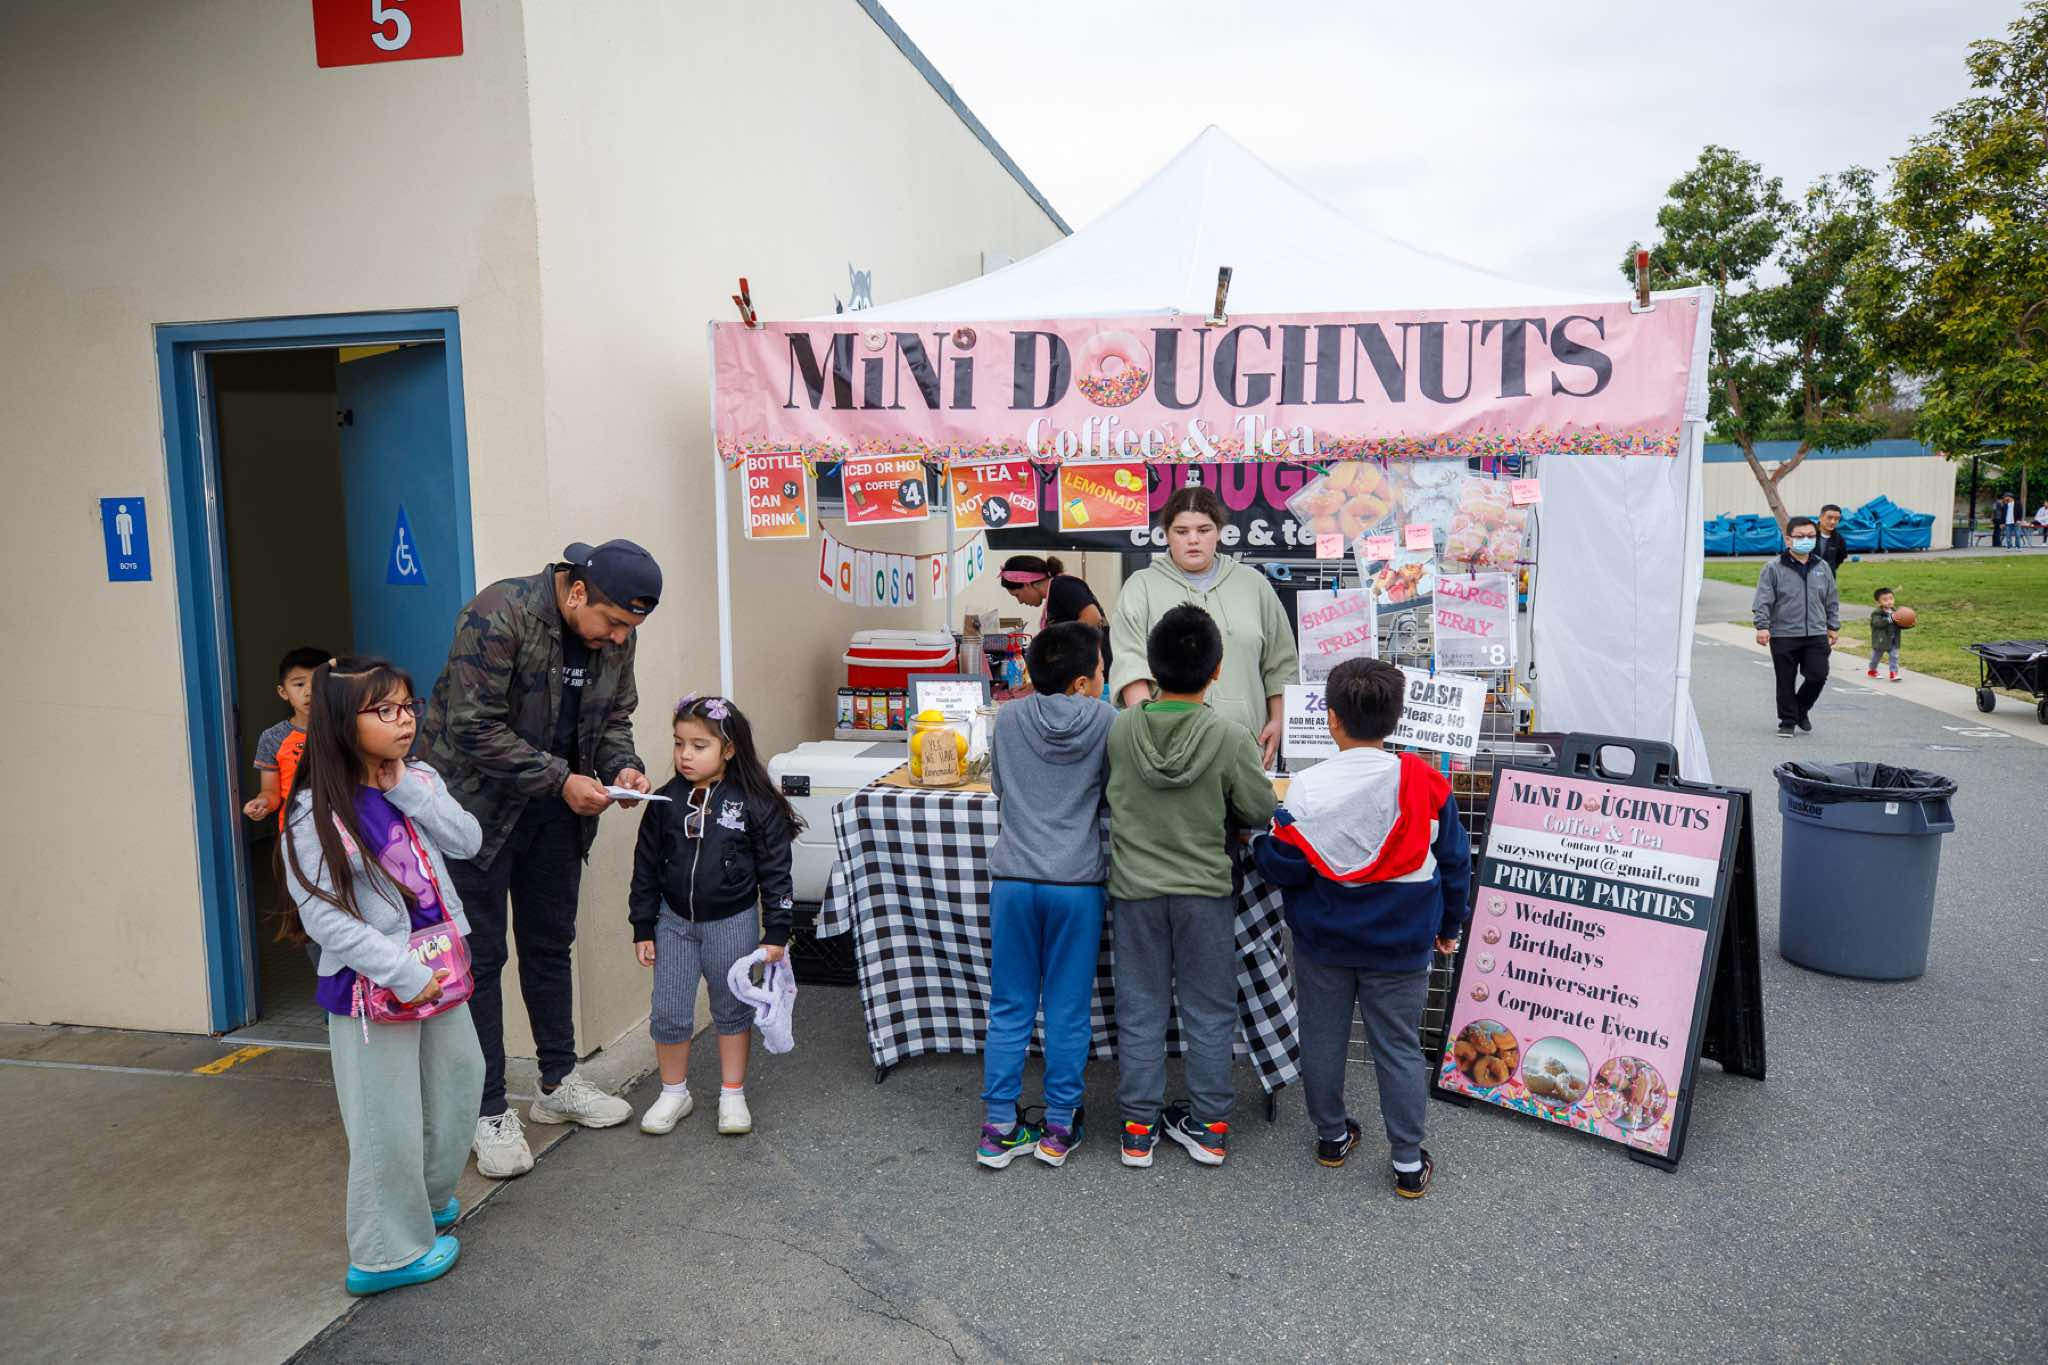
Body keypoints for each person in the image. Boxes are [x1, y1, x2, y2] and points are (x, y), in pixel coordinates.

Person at [419, 540, 660, 1178]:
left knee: (551, 945)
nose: (618, 638)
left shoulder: (617, 635)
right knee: (479, 959)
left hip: (556, 814)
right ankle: (486, 1109)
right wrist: (562, 779)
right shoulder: (498, 613)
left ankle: (557, 1083)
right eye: (613, 623)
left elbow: (616, 717)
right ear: (576, 592)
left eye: (629, 629)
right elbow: (472, 726)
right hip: (474, 814)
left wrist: (621, 768)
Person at [280, 657, 485, 1296]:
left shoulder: (416, 778)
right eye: (385, 710)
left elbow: (468, 841)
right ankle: (385, 1252)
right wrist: (399, 971)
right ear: (344, 721)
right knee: (384, 1122)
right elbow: (322, 916)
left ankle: (423, 1201)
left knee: (460, 1084)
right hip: (369, 988)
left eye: (407, 707)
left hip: (440, 967)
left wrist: (407, 791)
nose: (404, 721)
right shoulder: (311, 811)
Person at [1251, 657, 1471, 1198]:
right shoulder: (1427, 784)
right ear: (1395, 718)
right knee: (1397, 1046)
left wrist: (1257, 844)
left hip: (1324, 938)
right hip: (1401, 941)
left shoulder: (1307, 787)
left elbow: (1287, 865)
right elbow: (1455, 863)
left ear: (1331, 718)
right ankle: (1407, 1161)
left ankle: (1331, 1136)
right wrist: (1449, 925)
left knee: (1322, 1038)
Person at [1107, 604, 1277, 1169]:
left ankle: (1137, 1130)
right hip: (1205, 892)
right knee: (1208, 1010)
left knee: (1140, 1008)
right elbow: (1259, 808)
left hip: (1134, 890)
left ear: (1150, 668)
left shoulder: (1121, 728)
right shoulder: (1229, 737)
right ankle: (1209, 1127)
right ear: (1217, 670)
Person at [975, 621, 1115, 1170]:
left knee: (1009, 1006)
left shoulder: (1008, 719)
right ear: (1081, 683)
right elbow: (1111, 795)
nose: (1103, 680)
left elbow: (1000, 789)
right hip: (1076, 884)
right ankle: (1059, 1127)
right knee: (1067, 1010)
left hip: (1014, 880)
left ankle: (998, 1129)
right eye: (1100, 671)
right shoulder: (1107, 721)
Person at [630, 695, 798, 1139]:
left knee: (732, 1007)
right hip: (673, 923)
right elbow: (645, 867)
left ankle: (732, 1093)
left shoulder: (754, 803)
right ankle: (673, 1092)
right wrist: (643, 925)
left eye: (699, 745)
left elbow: (776, 871)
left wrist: (776, 931)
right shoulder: (665, 801)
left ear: (729, 749)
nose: (685, 754)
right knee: (668, 1010)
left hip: (732, 922)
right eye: (679, 743)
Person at [1109, 485, 1298, 766]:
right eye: (1181, 531)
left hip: (1246, 745)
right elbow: (1130, 664)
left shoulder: (1254, 585)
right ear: (1166, 534)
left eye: (1204, 529)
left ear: (1219, 531)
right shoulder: (1140, 587)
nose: (1193, 540)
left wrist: (1279, 719)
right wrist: (1148, 734)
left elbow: (1280, 661)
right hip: (1167, 750)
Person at [1753, 515, 1840, 737]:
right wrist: (1762, 626)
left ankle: (1801, 708)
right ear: (1788, 539)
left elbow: (1831, 598)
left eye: (1811, 536)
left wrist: (1833, 625)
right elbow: (1763, 599)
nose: (1806, 540)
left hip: (1816, 632)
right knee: (1785, 680)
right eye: (1800, 536)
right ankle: (1788, 721)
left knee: (1818, 674)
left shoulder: (1822, 567)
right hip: (1784, 634)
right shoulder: (1773, 568)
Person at [243, 646, 331, 827]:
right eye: (299, 684)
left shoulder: (347, 729)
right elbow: (271, 792)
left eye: (319, 682)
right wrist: (263, 803)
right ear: (283, 692)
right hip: (297, 830)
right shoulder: (272, 738)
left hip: (346, 827)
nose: (309, 692)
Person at [1000, 554, 1112, 676]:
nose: (1020, 601)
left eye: (1017, 595)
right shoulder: (1055, 593)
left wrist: (1056, 648)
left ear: (1027, 584)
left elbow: (1093, 617)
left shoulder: (1061, 585)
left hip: (1097, 671)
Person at [1867, 588, 1903, 683]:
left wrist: (1906, 623)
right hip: (1881, 640)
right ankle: (1872, 670)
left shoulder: (1895, 612)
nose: (1889, 601)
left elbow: (1899, 624)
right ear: (1878, 602)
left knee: (1894, 656)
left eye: (1891, 598)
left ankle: (1893, 673)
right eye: (1885, 600)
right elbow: (1878, 623)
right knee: (1876, 658)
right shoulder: (1877, 613)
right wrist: (1891, 619)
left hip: (1893, 640)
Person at [1814, 505, 1849, 573]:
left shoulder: (1839, 539)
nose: (1833, 522)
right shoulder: (1809, 535)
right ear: (1820, 518)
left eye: (1836, 519)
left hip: (1828, 576)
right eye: (1829, 518)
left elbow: (1841, 557)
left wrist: (1831, 568)